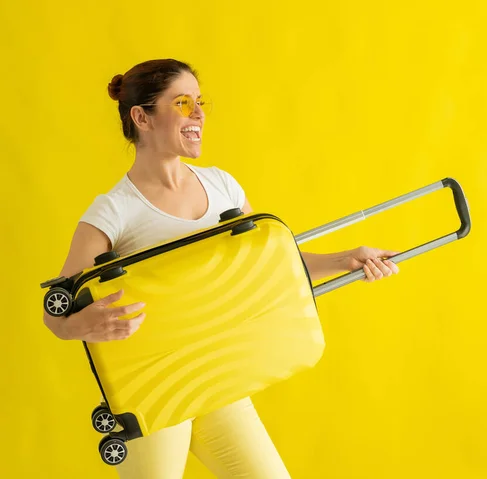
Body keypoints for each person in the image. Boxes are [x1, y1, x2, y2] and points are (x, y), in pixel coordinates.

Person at [42, 58, 400, 479]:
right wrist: (83, 325)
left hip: (217, 384)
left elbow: (275, 265)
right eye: (182, 102)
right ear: (142, 117)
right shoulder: (113, 211)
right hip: (154, 396)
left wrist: (346, 259)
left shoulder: (221, 186)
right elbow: (55, 312)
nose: (198, 113)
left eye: (199, 101)